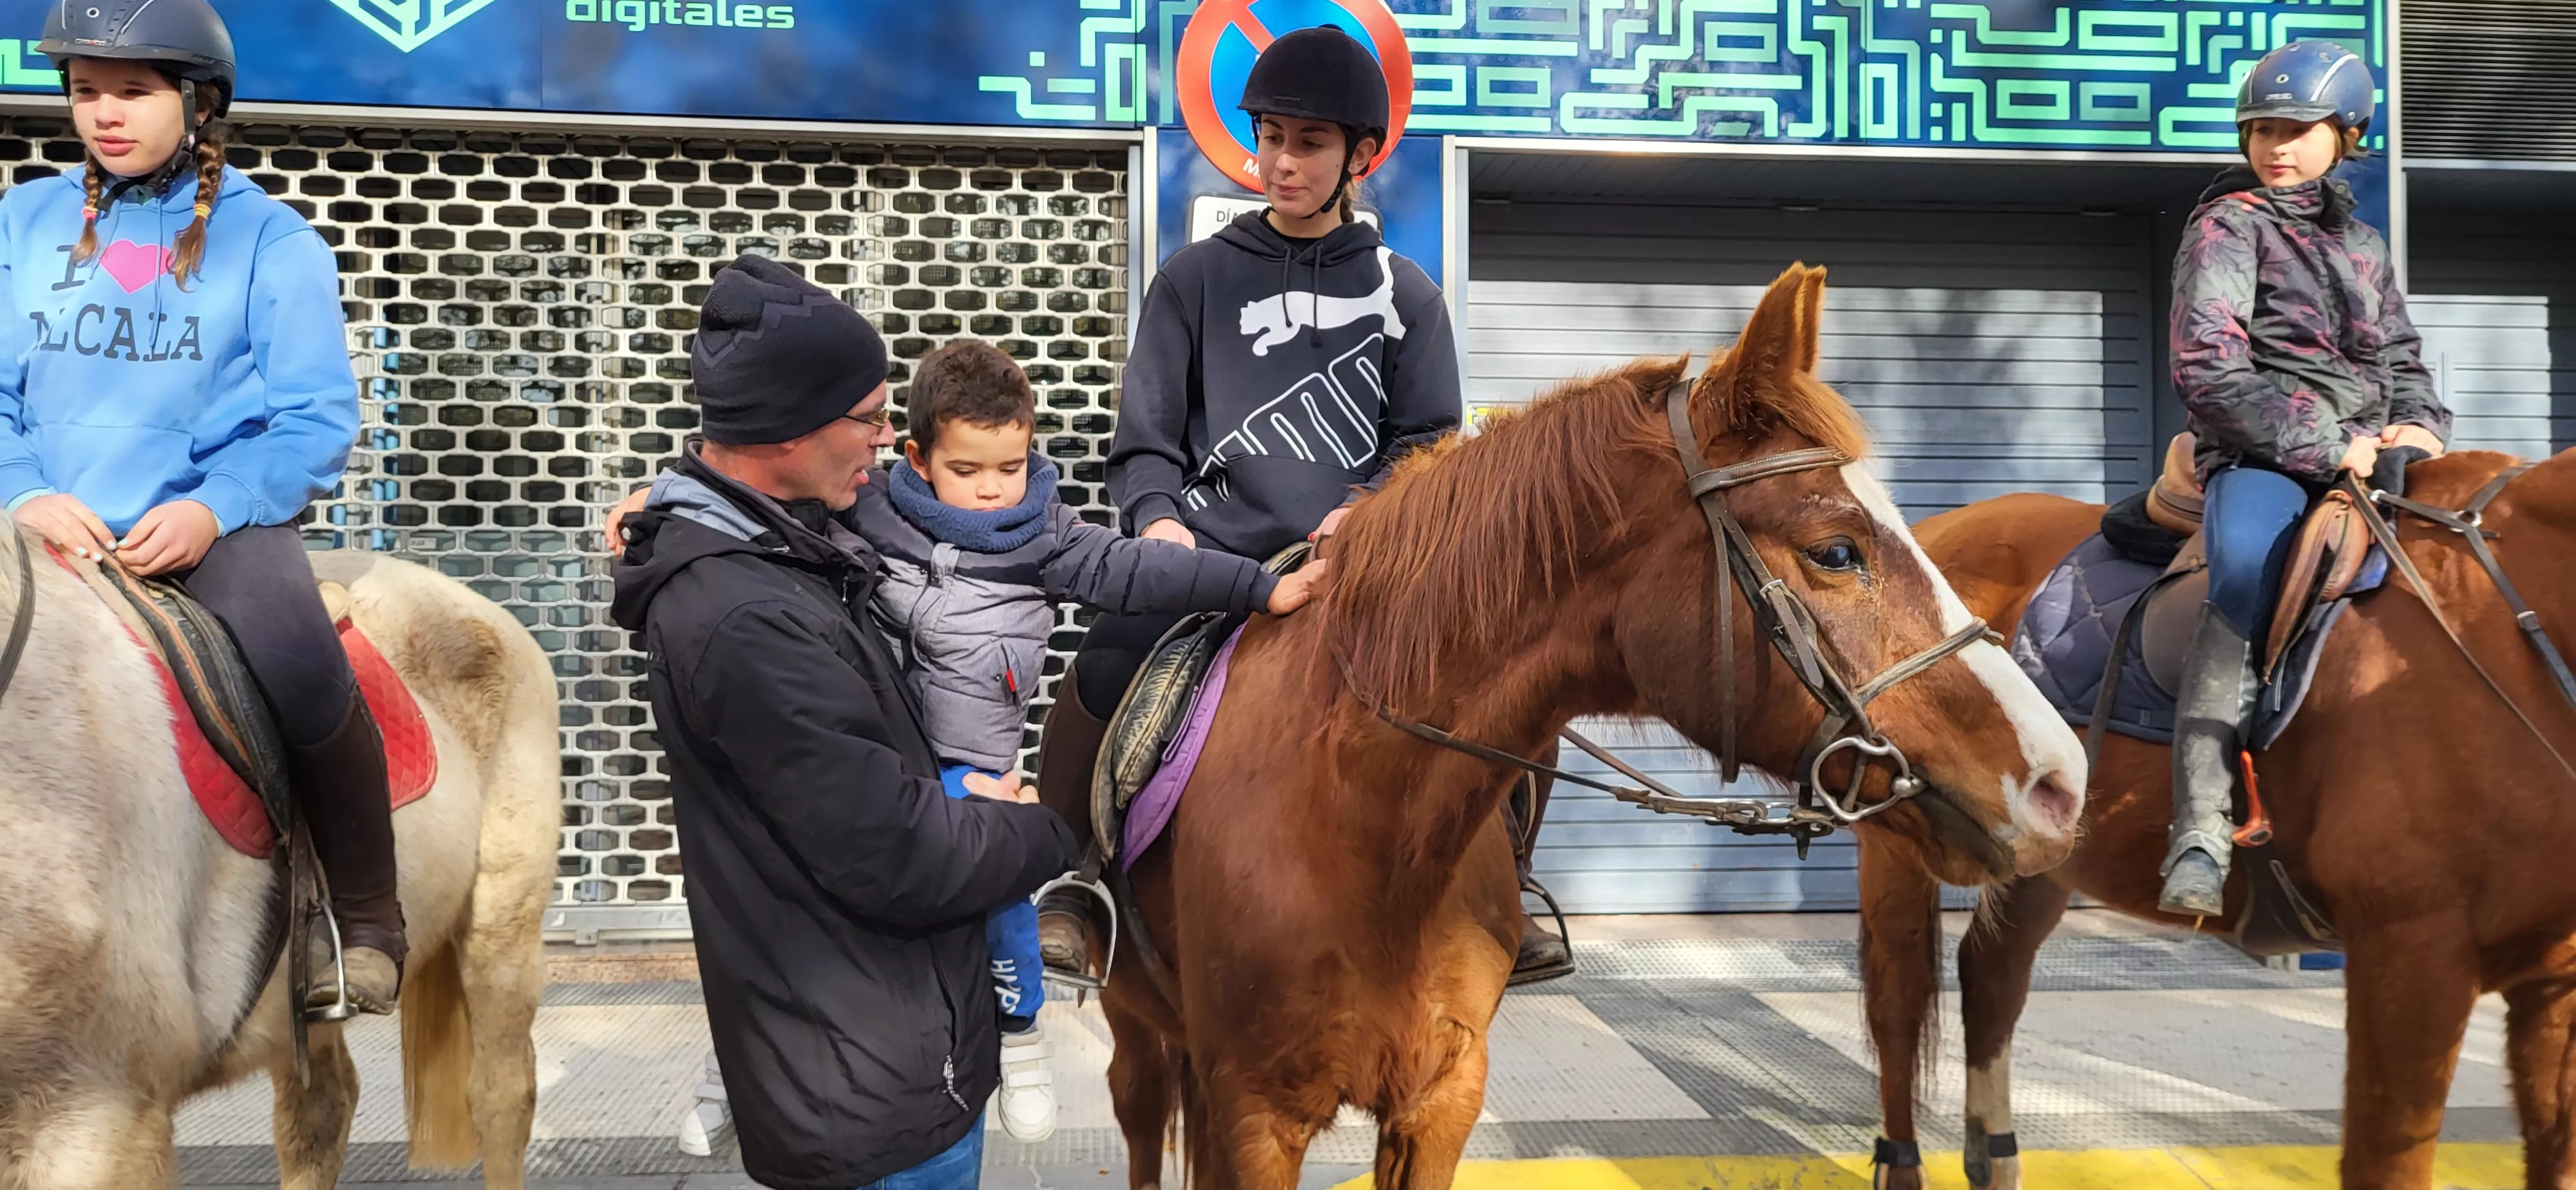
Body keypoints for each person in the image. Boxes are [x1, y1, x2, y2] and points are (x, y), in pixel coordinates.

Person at [1032, 24, 1572, 986]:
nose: (1281, 161)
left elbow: (1429, 439)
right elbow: (1146, 439)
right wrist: (1159, 522)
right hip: (1213, 561)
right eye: (1271, 136)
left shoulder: (1408, 294)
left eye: (1309, 142)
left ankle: (1508, 885)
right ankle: (1077, 881)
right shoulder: (1194, 279)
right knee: (1109, 656)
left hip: (1355, 572)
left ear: (1360, 156)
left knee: (1516, 673)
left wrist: (1368, 508)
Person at [610, 256, 1081, 1189]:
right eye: (868, 416)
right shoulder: (748, 614)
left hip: (887, 1060)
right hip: (869, 1100)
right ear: (790, 428)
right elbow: (898, 853)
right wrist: (1047, 831)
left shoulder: (792, 545)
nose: (883, 440)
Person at [1, 0, 404, 1014]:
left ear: (200, 102)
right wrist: (25, 491)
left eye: (133, 92)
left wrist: (216, 510)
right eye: (85, 92)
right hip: (38, 517)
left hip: (209, 526)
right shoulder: (21, 221)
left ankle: (366, 921)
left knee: (300, 665)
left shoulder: (271, 238)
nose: (104, 113)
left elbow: (315, 419)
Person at [2157, 41, 2450, 916]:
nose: (2276, 145)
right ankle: (2200, 827)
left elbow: (2401, 355)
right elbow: (2207, 367)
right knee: (2247, 574)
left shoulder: (2363, 243)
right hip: (2263, 455)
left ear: (2348, 135)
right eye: (2262, 130)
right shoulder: (2226, 226)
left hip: (2376, 454)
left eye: (2297, 129)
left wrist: (2421, 425)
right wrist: (2328, 445)